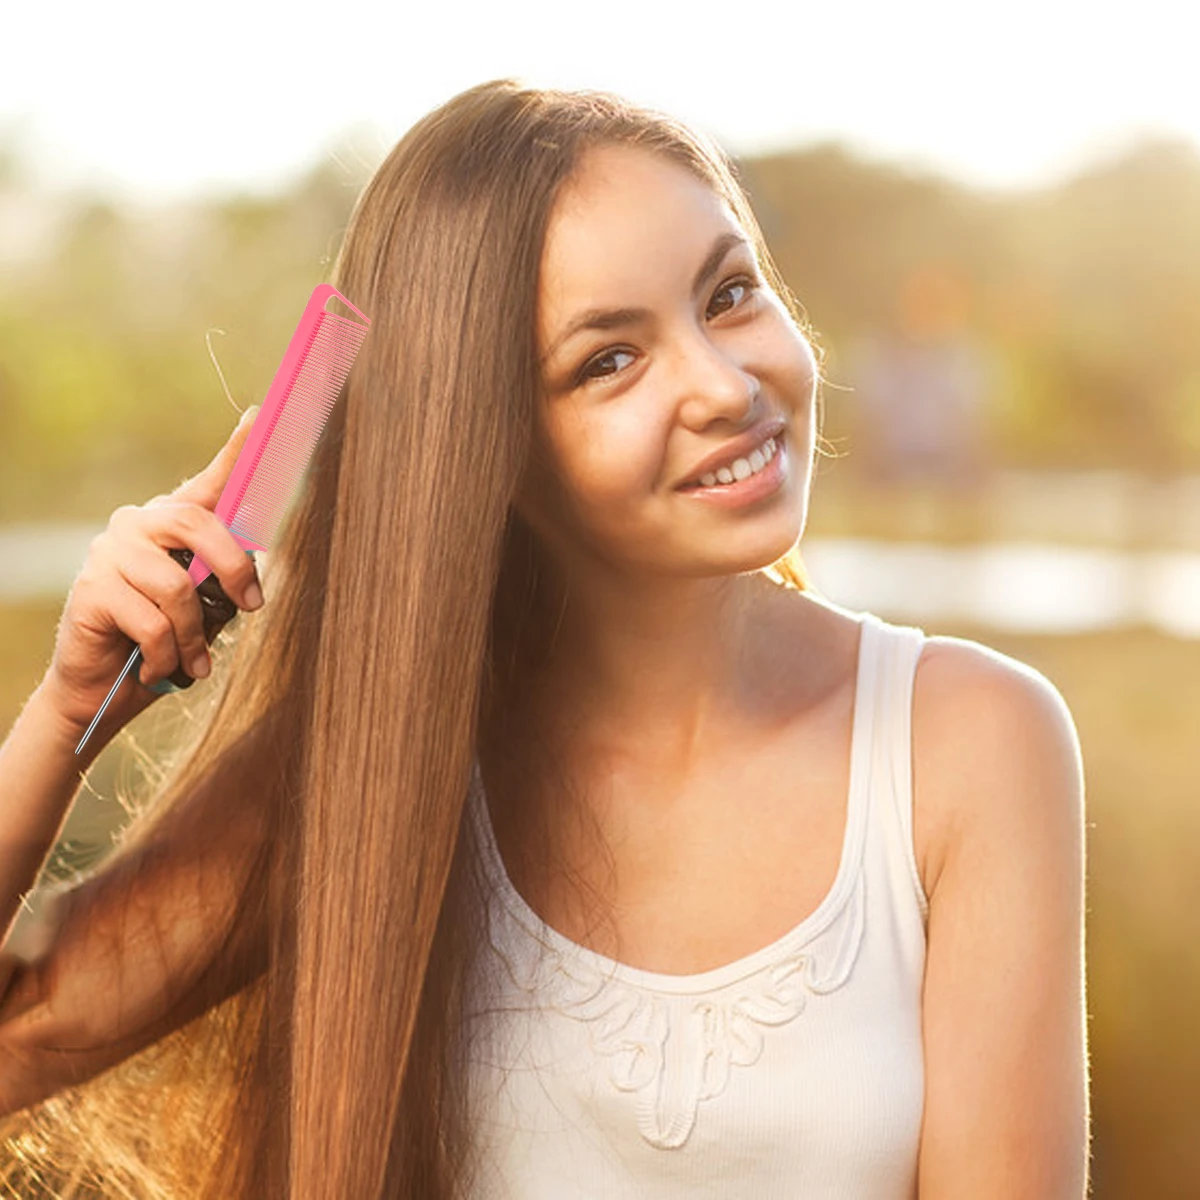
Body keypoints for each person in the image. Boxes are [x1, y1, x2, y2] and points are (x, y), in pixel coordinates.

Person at [0, 79, 1090, 1198]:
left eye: (727, 295)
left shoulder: (969, 745)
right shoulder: (374, 772)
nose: (723, 386)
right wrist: (67, 719)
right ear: (493, 448)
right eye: (609, 361)